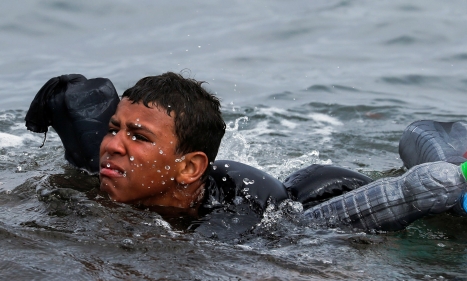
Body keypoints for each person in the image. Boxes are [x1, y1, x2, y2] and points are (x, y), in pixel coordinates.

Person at [24, 73, 373, 240]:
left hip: (323, 195)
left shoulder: (233, 220)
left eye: (139, 137)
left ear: (190, 167)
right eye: (114, 128)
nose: (113, 145)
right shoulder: (111, 168)